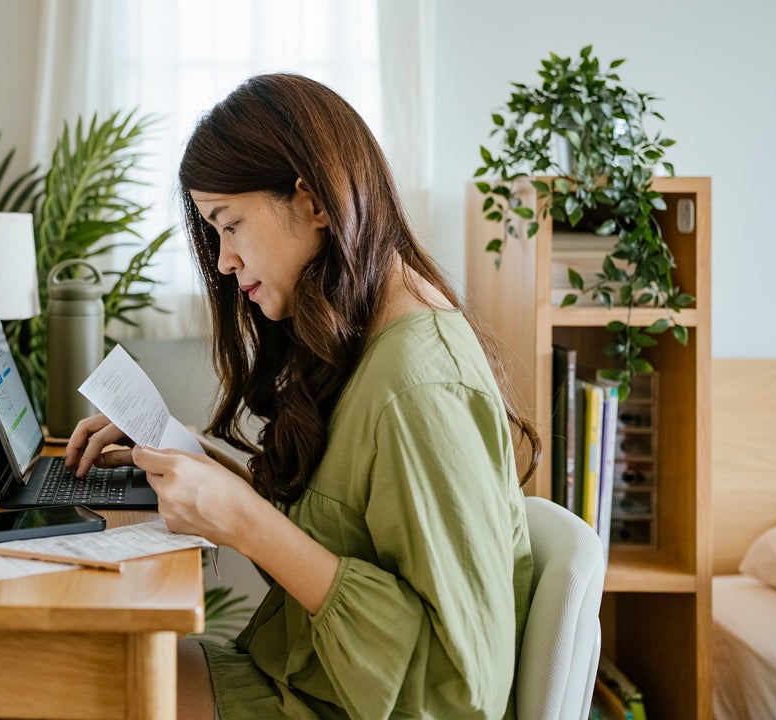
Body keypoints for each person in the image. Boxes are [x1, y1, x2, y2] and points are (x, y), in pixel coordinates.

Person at [65, 73, 541, 720]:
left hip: (331, 705)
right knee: (74, 669)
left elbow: (462, 691)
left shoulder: (419, 387)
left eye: (229, 225)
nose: (225, 262)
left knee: (60, 685)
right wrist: (203, 469)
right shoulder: (369, 340)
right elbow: (341, 540)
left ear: (314, 201)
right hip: (302, 682)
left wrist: (248, 523)